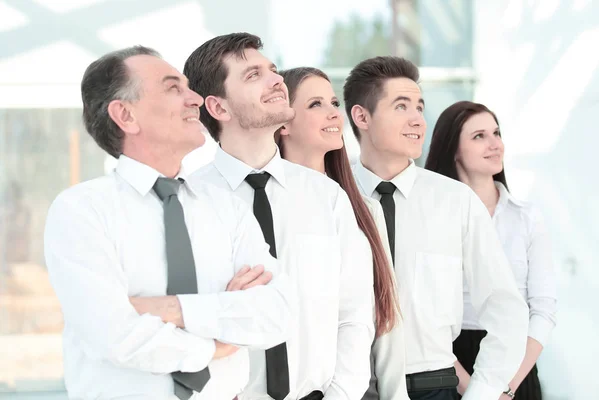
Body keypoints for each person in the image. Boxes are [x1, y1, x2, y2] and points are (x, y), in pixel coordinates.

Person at [44, 46, 292, 400]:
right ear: (126, 115)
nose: (195, 99)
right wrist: (215, 343)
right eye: (174, 88)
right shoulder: (81, 211)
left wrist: (168, 309)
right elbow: (114, 336)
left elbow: (275, 315)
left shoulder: (227, 208)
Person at [183, 33, 375, 400]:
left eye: (272, 70)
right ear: (219, 108)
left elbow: (353, 314)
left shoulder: (327, 197)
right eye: (253, 75)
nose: (276, 81)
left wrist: (339, 395)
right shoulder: (189, 201)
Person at [343, 55, 530, 400]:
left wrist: (482, 392)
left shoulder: (455, 201)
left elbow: (505, 307)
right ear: (361, 116)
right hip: (347, 387)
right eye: (401, 107)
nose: (418, 120)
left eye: (419, 107)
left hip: (433, 388)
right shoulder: (333, 198)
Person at [274, 66, 404, 398]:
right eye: (316, 104)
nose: (334, 113)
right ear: (283, 122)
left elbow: (373, 314)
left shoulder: (364, 206)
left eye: (334, 102)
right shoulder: (261, 204)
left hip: (358, 386)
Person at [425, 101, 557, 400]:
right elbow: (423, 315)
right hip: (451, 367)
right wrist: (473, 388)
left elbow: (544, 308)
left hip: (517, 369)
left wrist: (505, 386)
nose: (495, 144)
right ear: (453, 149)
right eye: (479, 136)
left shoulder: (527, 217)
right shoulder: (431, 219)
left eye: (496, 133)